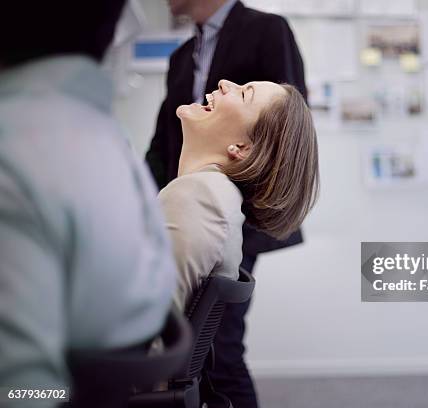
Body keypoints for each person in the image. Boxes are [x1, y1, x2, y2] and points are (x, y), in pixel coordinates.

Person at [0, 0, 177, 400]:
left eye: (245, 91)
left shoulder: (17, 156)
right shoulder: (114, 149)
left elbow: (22, 394)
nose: (222, 88)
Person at [146, 1, 308, 406]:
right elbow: (162, 139)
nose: (223, 84)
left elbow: (281, 133)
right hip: (196, 206)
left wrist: (228, 220)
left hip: (225, 215)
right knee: (210, 353)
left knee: (223, 353)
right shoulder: (184, 54)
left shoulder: (266, 29)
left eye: (243, 89)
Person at [161, 79, 319, 311]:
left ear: (242, 147)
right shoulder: (217, 197)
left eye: (245, 94)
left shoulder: (198, 196)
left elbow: (146, 333)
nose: (224, 83)